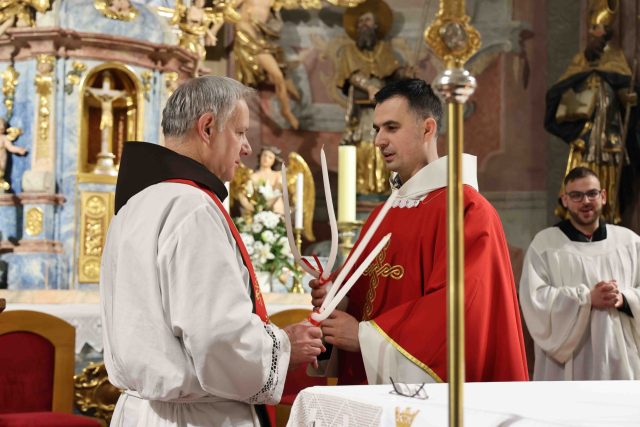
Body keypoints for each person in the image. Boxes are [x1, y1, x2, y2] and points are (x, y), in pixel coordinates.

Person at [100, 76, 324, 426]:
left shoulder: (134, 205)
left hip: (141, 413)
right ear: (207, 128)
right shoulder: (192, 208)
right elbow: (218, 338)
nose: (247, 148)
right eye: (240, 132)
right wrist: (284, 346)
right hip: (197, 418)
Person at [310, 78, 529, 385]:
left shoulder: (467, 210)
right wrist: (336, 300)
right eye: (376, 129)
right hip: (370, 392)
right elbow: (363, 296)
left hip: (426, 401)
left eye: (391, 127)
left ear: (427, 129)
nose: (378, 141)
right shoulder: (383, 213)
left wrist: (364, 337)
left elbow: (462, 310)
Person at [519, 166, 640, 380]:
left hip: (620, 360)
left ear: (603, 196)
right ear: (565, 200)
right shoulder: (545, 245)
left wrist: (625, 299)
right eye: (576, 195)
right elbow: (535, 300)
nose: (585, 201)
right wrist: (587, 299)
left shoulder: (630, 242)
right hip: (567, 365)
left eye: (592, 193)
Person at [544, 0, 638, 224]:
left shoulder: (616, 58)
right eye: (594, 28)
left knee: (611, 175)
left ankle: (610, 214)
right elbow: (560, 90)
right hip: (585, 134)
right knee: (582, 172)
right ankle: (576, 215)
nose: (597, 33)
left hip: (610, 134)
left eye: (602, 28)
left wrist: (629, 98)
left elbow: (624, 90)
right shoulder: (581, 60)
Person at [337, 0, 408, 195]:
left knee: (385, 142)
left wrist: (404, 73)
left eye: (367, 21)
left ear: (376, 25)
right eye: (360, 22)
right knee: (365, 142)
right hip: (362, 110)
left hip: (383, 107)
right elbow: (349, 74)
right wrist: (369, 86)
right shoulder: (349, 51)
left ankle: (382, 187)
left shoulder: (384, 50)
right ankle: (363, 187)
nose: (363, 25)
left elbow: (393, 73)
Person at [233, 0, 301, 129]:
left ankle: (286, 107)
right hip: (247, 40)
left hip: (261, 41)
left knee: (280, 72)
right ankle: (286, 110)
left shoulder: (271, 2)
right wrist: (212, 32)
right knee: (277, 76)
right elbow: (225, 11)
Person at [238, 145, 285, 217]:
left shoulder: (278, 175)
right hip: (257, 212)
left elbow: (277, 192)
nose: (266, 158)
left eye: (270, 157)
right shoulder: (252, 176)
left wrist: (265, 206)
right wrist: (251, 207)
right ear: (260, 156)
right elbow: (243, 194)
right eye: (264, 155)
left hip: (276, 211)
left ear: (274, 161)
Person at [0, 118, 27, 192]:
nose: (2, 127)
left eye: (3, 125)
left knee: (1, 171)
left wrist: (19, 150)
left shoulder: (4, 138)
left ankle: (1, 183)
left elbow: (10, 147)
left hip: (1, 158)